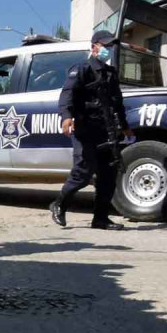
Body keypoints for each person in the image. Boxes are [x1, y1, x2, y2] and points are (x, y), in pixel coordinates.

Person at [49, 29, 134, 230]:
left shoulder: (110, 73)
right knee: (83, 173)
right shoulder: (81, 69)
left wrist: (125, 127)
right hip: (85, 130)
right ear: (94, 46)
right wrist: (67, 117)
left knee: (108, 175)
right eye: (105, 46)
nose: (108, 49)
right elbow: (66, 96)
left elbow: (118, 103)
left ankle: (101, 219)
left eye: (110, 46)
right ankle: (59, 204)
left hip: (106, 131)